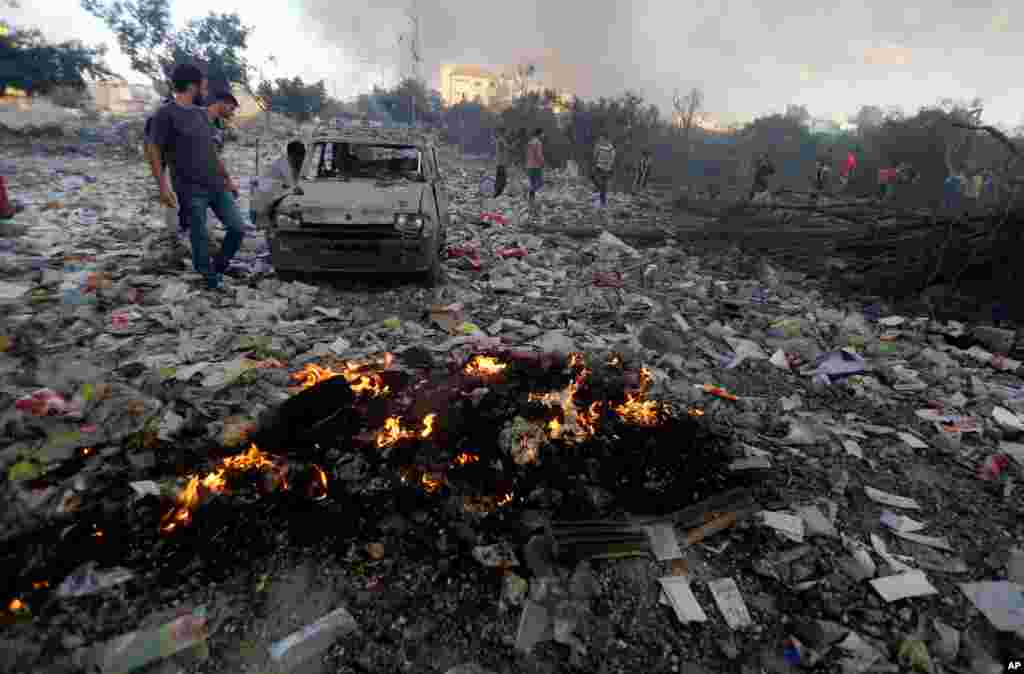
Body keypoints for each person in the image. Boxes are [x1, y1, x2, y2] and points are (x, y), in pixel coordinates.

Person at [147, 63, 245, 291]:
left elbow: (211, 152)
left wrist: (228, 179)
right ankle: (209, 277)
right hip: (190, 187)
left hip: (216, 185)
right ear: (192, 85)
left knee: (238, 228)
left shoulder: (202, 114)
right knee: (199, 234)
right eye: (203, 83)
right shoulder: (166, 114)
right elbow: (153, 149)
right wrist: (163, 187)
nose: (205, 87)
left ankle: (219, 266)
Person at [145, 77, 210, 238]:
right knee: (173, 202)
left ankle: (185, 231)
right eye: (203, 87)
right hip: (172, 164)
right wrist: (161, 183)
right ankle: (175, 236)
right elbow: (152, 146)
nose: (205, 91)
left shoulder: (197, 111)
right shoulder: (165, 112)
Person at [206, 91, 239, 156]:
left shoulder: (218, 122)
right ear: (221, 103)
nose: (232, 113)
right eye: (231, 108)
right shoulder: (198, 116)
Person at [592, 134, 616, 208]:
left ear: (606, 139)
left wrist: (608, 166)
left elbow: (612, 159)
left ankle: (602, 202)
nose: (600, 140)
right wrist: (595, 162)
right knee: (595, 180)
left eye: (602, 139)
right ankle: (599, 198)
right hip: (599, 167)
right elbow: (595, 155)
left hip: (606, 169)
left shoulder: (610, 148)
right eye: (600, 139)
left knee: (603, 186)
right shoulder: (598, 146)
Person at [525, 128, 545, 209]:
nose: (543, 136)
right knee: (540, 183)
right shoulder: (538, 143)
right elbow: (538, 155)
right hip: (536, 166)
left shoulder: (530, 142)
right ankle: (531, 192)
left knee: (532, 183)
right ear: (539, 134)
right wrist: (542, 162)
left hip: (529, 165)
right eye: (542, 134)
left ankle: (531, 200)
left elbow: (527, 154)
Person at [493, 127, 510, 197]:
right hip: (501, 163)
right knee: (502, 179)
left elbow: (504, 149)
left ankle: (497, 193)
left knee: (500, 179)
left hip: (500, 163)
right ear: (503, 132)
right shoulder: (501, 140)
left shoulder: (499, 140)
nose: (507, 134)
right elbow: (505, 148)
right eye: (506, 132)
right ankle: (497, 194)